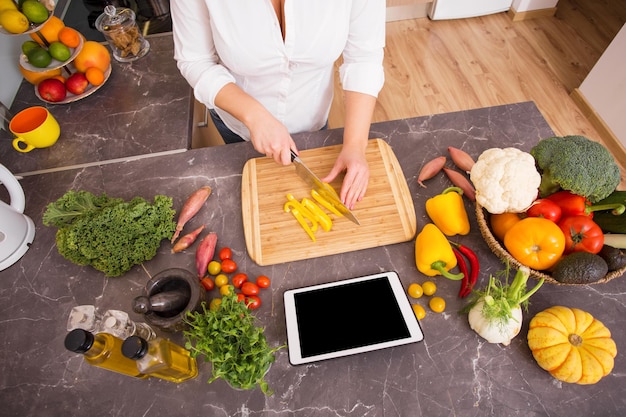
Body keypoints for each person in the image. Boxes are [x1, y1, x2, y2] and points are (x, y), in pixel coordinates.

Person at [170, 0, 385, 209]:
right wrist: (254, 115)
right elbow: (195, 60)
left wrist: (355, 145)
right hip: (239, 124)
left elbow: (363, 57)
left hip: (312, 118)